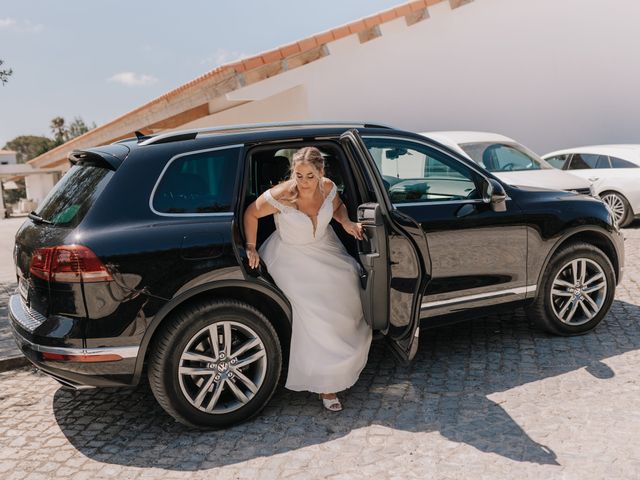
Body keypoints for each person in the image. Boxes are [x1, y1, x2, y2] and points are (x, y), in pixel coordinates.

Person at [243, 146, 372, 412]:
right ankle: (327, 384)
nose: (303, 182)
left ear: (321, 172)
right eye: (299, 175)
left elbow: (338, 208)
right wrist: (251, 245)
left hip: (324, 248)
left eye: (309, 176)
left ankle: (342, 362)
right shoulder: (282, 195)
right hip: (290, 256)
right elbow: (251, 213)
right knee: (313, 308)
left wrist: (346, 223)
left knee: (348, 282)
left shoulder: (328, 188)